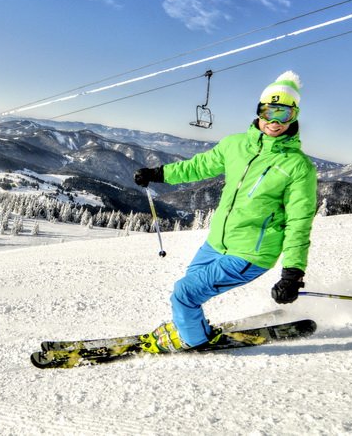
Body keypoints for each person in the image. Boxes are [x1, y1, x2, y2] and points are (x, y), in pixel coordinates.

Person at [133, 70, 317, 353]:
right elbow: (197, 166)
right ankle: (192, 326)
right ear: (259, 111)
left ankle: (194, 341)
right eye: (269, 111)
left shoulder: (297, 166)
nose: (274, 121)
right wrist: (158, 173)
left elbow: (299, 222)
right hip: (217, 243)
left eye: (284, 114)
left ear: (294, 116)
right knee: (188, 287)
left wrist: (293, 272)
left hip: (251, 252)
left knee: (184, 294)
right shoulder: (235, 145)